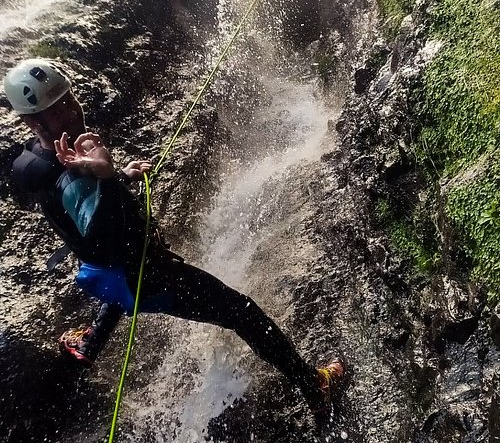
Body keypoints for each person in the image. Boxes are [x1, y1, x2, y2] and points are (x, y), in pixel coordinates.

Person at [3, 58, 345, 413]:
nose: (72, 114)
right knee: (243, 313)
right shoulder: (70, 175)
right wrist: (106, 176)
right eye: (57, 110)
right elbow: (102, 235)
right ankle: (314, 385)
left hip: (112, 273)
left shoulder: (41, 159)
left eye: (70, 101)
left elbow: (83, 215)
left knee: (225, 309)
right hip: (144, 276)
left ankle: (90, 341)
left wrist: (119, 175)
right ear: (32, 121)